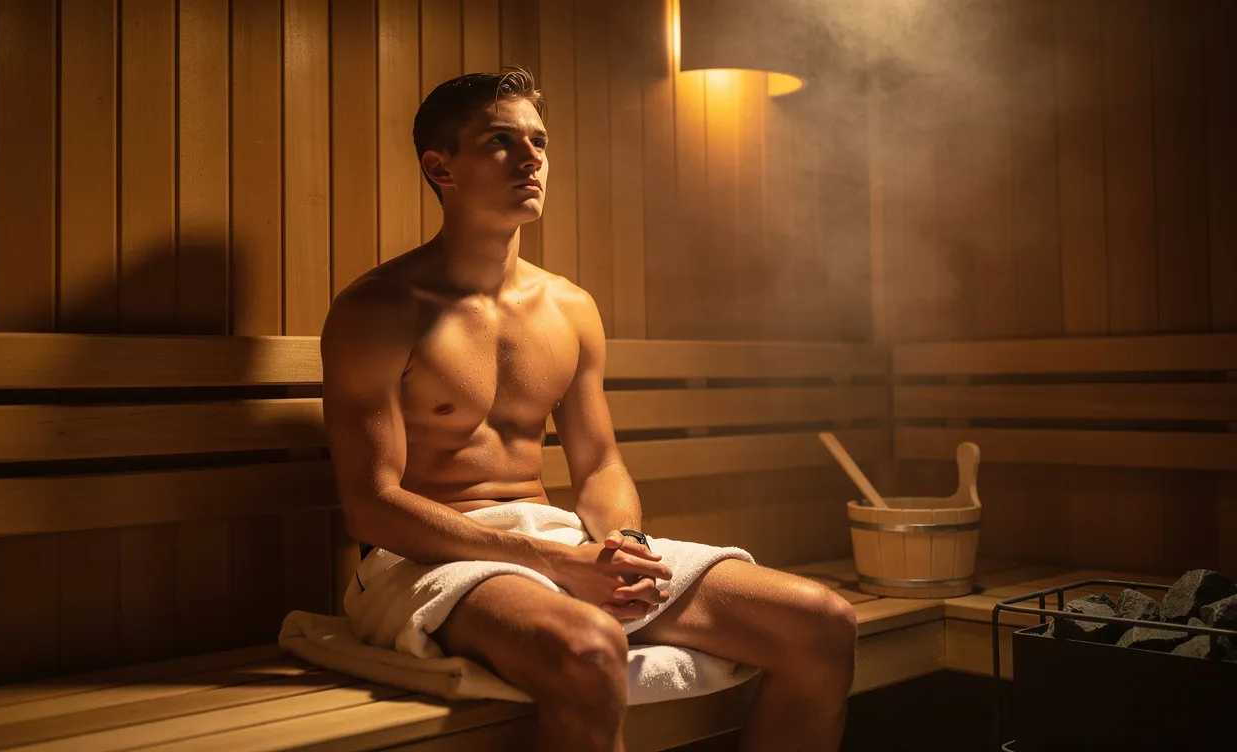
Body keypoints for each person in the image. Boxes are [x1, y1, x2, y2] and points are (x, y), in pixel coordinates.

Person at [320, 67, 857, 752]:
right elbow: (372, 507)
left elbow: (599, 463)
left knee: (822, 623)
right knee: (592, 648)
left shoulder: (569, 308)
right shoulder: (380, 309)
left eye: (538, 141)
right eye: (500, 141)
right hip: (425, 561)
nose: (530, 158)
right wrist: (556, 561)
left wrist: (623, 544)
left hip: (554, 539)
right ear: (440, 167)